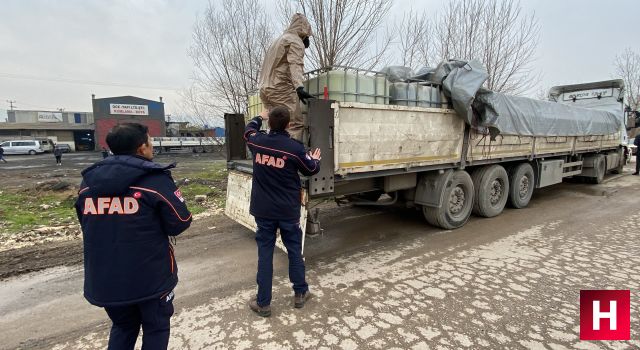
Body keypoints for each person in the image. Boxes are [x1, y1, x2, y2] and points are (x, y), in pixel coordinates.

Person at [75, 123, 192, 349]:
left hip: (106, 278)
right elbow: (180, 222)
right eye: (150, 141)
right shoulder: (155, 179)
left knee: (123, 327)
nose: (152, 146)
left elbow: (86, 223)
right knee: (156, 328)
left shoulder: (88, 183)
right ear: (141, 148)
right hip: (150, 277)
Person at [244, 107, 321, 317]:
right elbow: (312, 169)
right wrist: (315, 158)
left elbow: (248, 130)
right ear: (288, 125)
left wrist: (260, 116)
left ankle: (263, 303)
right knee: (294, 251)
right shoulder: (294, 148)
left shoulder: (257, 142)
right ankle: (300, 293)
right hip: (287, 211)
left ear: (269, 123)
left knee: (265, 254)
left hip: (264, 211)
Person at [259, 13, 314, 141]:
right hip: (280, 89)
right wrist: (299, 87)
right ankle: (290, 159)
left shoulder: (278, 40)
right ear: (304, 30)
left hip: (264, 89)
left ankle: (273, 156)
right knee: (294, 124)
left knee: (275, 125)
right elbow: (295, 64)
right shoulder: (295, 41)